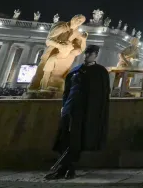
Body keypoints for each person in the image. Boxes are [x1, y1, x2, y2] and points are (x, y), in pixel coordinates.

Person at [45, 45, 110, 180]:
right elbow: (67, 91)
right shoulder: (75, 71)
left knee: (77, 139)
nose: (87, 56)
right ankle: (66, 168)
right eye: (86, 53)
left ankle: (68, 168)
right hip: (69, 108)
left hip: (87, 111)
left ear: (96, 55)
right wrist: (64, 106)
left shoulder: (100, 72)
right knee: (64, 138)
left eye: (90, 54)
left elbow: (103, 94)